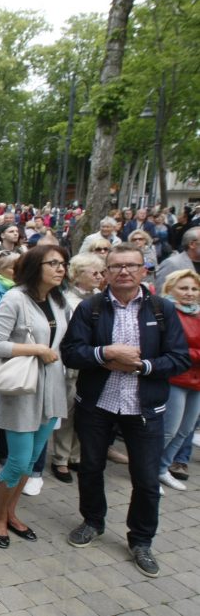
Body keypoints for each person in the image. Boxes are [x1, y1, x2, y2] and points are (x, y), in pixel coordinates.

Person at [62, 243, 190, 577]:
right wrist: (105, 353)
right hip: (97, 405)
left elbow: (179, 357)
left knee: (146, 480)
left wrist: (143, 366)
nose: (123, 272)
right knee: (90, 468)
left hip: (143, 407)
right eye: (116, 266)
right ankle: (92, 521)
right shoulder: (90, 309)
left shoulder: (161, 309)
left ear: (143, 270)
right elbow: (71, 352)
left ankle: (142, 540)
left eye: (131, 266)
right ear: (105, 272)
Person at [0, 245, 71, 549]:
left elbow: (64, 342)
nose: (60, 268)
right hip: (23, 387)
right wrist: (36, 349)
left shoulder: (60, 302)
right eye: (53, 263)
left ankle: (11, 511)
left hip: (53, 389)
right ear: (36, 266)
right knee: (18, 461)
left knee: (33, 460)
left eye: (63, 263)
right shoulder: (15, 298)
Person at [51, 253, 105, 484]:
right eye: (95, 273)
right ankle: (60, 457)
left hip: (96, 363)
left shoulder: (102, 298)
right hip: (72, 364)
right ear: (78, 274)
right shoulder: (65, 300)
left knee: (88, 411)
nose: (100, 277)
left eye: (102, 273)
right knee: (68, 411)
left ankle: (76, 454)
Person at [156, 270, 200, 491]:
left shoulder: (198, 313)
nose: (189, 293)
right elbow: (174, 349)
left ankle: (162, 468)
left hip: (197, 381)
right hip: (176, 378)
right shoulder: (167, 312)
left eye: (193, 288)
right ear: (170, 289)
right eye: (184, 288)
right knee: (169, 429)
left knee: (186, 429)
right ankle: (149, 471)